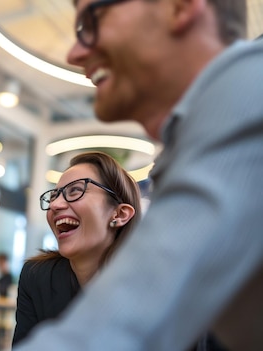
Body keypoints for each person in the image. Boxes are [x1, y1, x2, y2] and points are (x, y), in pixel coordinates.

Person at [15, 0, 263, 350]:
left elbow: (123, 324)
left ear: (179, 7)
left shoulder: (249, 97)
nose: (75, 52)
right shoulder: (181, 155)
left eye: (92, 20)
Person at [13, 151, 140, 346]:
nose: (55, 204)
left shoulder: (151, 285)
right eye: (53, 196)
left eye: (75, 191)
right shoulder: (37, 277)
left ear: (119, 214)